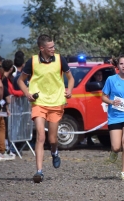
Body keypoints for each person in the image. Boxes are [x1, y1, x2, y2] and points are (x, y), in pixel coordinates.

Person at [18, 34, 74, 183]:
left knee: (52, 138)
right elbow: (20, 81)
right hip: (39, 102)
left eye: (54, 46)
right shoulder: (33, 61)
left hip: (56, 102)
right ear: (41, 48)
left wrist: (69, 90)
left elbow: (71, 78)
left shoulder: (60, 59)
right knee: (41, 136)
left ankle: (55, 152)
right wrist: (27, 94)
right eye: (50, 47)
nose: (53, 49)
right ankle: (39, 171)